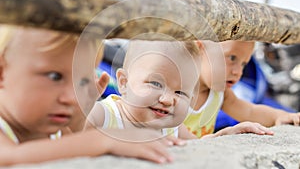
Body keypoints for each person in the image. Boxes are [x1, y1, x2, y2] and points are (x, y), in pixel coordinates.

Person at [0, 25, 182, 166]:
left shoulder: (51, 127)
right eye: (55, 77)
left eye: (82, 81)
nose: (72, 97)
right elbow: (9, 158)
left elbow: (72, 141)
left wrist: (83, 110)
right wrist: (105, 139)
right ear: (1, 73)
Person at [86, 39, 273, 139]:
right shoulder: (105, 114)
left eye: (180, 93)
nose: (168, 100)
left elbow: (200, 146)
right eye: (156, 84)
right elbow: (69, 134)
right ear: (124, 83)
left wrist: (226, 135)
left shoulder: (172, 128)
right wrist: (83, 108)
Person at [184, 40, 300, 138]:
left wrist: (280, 116)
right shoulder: (173, 92)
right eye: (232, 58)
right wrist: (222, 135)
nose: (238, 72)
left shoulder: (220, 94)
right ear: (199, 49)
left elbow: (250, 111)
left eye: (243, 64)